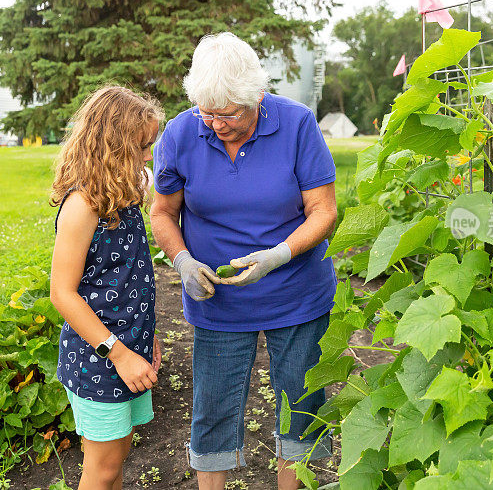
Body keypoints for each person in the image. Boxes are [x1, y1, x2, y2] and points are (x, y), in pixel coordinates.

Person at [150, 33, 337, 490]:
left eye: (228, 113)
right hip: (218, 301)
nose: (216, 124)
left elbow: (324, 211)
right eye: (206, 113)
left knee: (301, 407)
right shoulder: (180, 132)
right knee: (213, 410)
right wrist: (183, 262)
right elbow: (162, 212)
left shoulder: (296, 125)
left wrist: (279, 255)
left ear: (255, 96)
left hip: (296, 296)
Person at [49, 86, 164, 490]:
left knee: (113, 464)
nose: (148, 156)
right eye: (141, 147)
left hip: (129, 350)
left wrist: (144, 341)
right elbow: (62, 293)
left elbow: (131, 278)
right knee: (100, 471)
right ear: (111, 146)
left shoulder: (125, 196)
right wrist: (119, 353)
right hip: (101, 357)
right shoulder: (83, 205)